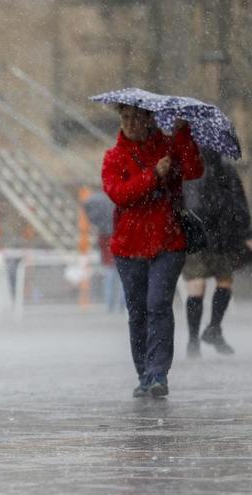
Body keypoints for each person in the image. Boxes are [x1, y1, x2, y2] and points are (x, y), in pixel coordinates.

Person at [101, 104, 203, 398]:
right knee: (138, 312)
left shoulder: (169, 147)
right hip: (129, 246)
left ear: (150, 119)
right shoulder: (114, 157)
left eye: (137, 117)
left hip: (168, 242)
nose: (130, 123)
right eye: (125, 117)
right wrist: (153, 175)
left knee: (158, 304)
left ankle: (158, 373)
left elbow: (194, 169)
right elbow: (120, 194)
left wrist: (183, 132)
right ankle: (143, 372)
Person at [182, 149, 252, 358]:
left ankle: (195, 339)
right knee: (223, 280)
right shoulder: (224, 167)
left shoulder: (185, 166)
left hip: (196, 233)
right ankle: (212, 329)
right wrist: (246, 232)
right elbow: (238, 202)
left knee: (197, 285)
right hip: (220, 234)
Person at [83, 191, 124, 313]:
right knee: (122, 279)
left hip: (110, 255)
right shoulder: (118, 202)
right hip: (122, 252)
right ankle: (122, 304)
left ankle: (109, 304)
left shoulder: (103, 228)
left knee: (110, 277)